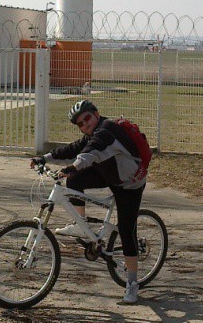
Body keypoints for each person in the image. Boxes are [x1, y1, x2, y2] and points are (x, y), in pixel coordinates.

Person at [30, 100, 146, 304]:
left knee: (126, 230)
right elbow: (75, 148)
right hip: (110, 173)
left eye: (87, 118)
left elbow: (92, 150)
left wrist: (74, 166)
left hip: (129, 183)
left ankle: (132, 282)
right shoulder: (91, 134)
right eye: (80, 124)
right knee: (74, 180)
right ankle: (80, 224)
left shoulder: (107, 129)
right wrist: (45, 158)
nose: (85, 124)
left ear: (96, 114)